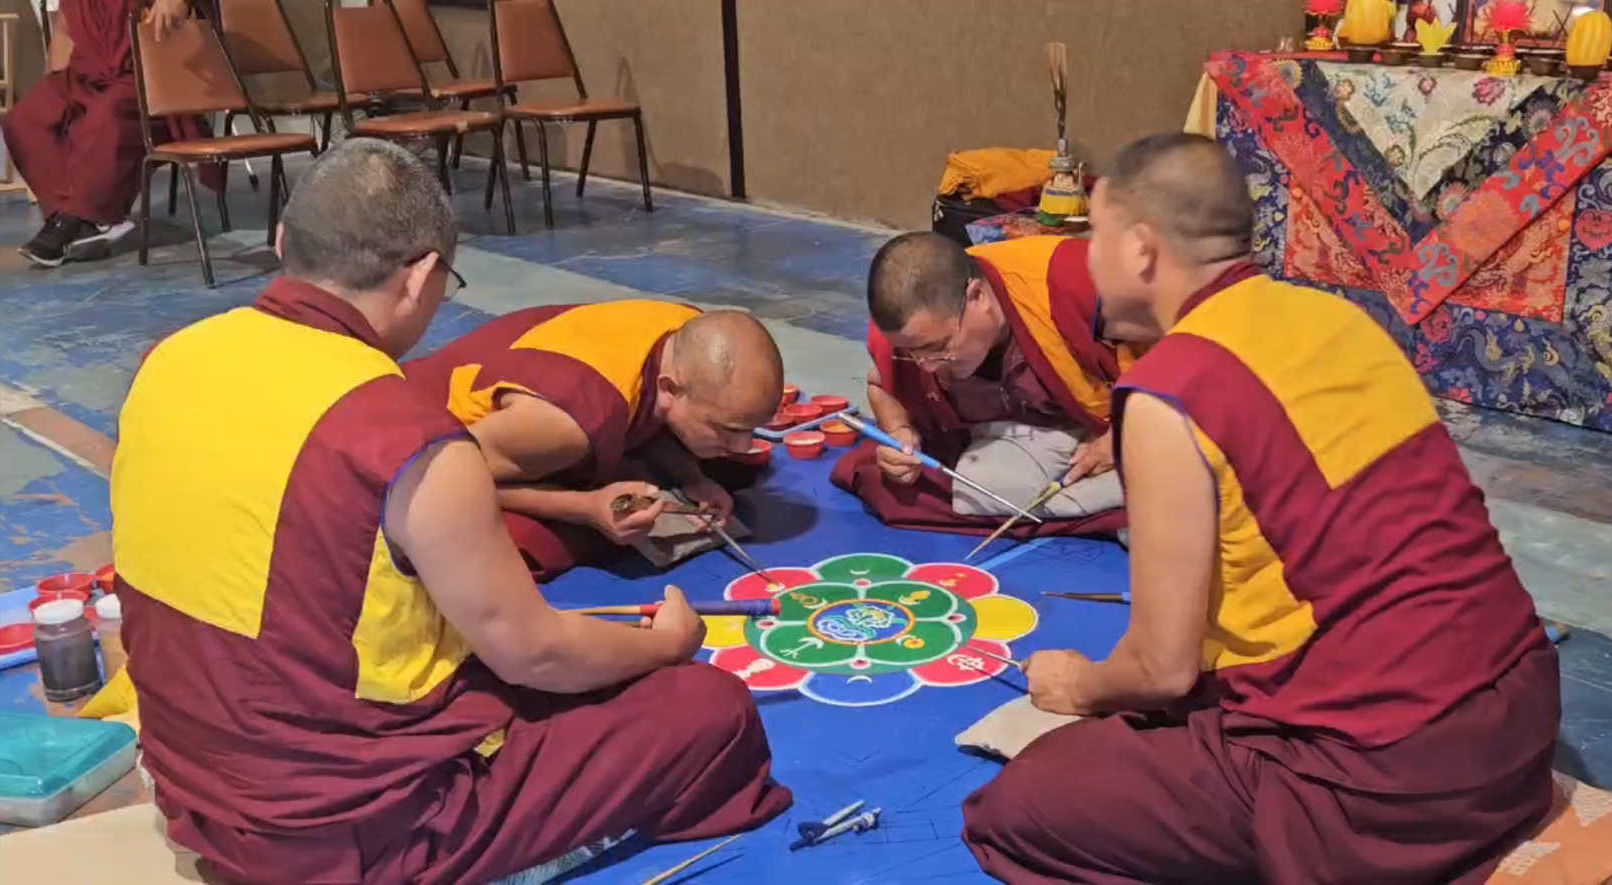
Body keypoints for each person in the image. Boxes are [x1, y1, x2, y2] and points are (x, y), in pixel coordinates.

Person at [110, 139, 791, 885]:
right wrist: (667, 645)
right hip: (352, 834)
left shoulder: (167, 359)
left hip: (190, 785)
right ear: (424, 276)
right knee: (708, 709)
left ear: (282, 243)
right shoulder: (407, 439)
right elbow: (535, 652)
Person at [961, 133, 1560, 883]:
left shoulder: (1166, 390)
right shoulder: (1341, 321)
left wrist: (1076, 682)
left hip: (1386, 781)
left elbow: (1162, 668)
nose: (1086, 259)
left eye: (1095, 238)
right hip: (1520, 726)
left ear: (1142, 251)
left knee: (1019, 805)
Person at [402, 303, 785, 581]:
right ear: (669, 388)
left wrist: (691, 478)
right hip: (418, 433)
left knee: (725, 469)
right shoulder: (567, 425)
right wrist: (585, 508)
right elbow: (438, 476)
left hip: (534, 372)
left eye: (751, 430)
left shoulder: (687, 328)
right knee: (533, 543)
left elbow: (651, 415)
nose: (743, 445)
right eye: (727, 429)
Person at [830, 231, 1135, 540]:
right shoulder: (908, 335)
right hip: (1014, 436)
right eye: (915, 354)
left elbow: (1176, 358)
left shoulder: (1072, 279)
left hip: (1111, 420)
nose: (927, 366)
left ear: (978, 297)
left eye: (940, 348)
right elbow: (881, 384)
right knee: (936, 489)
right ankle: (1114, 513)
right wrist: (899, 433)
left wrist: (1121, 435)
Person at [4, 0, 218, 268]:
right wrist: (55, 92)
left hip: (143, 77)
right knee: (26, 118)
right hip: (87, 75)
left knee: (107, 118)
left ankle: (77, 222)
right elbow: (64, 31)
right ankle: (82, 219)